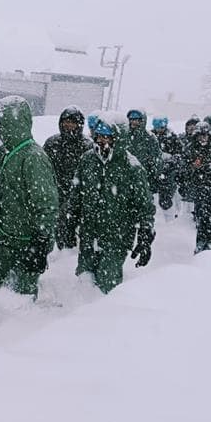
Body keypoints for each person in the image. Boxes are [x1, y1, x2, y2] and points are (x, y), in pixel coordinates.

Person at [0, 96, 58, 300]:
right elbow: (12, 193)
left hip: (25, 244)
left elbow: (46, 205)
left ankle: (19, 331)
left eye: (2, 123)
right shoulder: (13, 153)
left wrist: (39, 245)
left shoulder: (33, 157)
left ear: (16, 122)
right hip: (4, 239)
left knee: (19, 300)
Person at [64, 119, 155, 294]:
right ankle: (79, 319)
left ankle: (106, 317)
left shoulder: (131, 166)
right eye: (99, 137)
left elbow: (145, 204)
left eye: (108, 137)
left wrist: (145, 233)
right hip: (89, 233)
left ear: (118, 139)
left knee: (107, 283)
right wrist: (70, 219)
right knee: (85, 279)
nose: (103, 141)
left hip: (117, 236)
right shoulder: (87, 159)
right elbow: (76, 193)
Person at [43, 106, 93, 249]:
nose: (69, 125)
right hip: (53, 192)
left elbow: (90, 175)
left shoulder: (87, 146)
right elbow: (44, 168)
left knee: (70, 230)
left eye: (73, 122)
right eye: (66, 121)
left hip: (77, 195)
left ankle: (66, 255)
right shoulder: (52, 143)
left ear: (80, 125)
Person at [124, 109, 163, 198]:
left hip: (144, 178)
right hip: (126, 177)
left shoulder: (150, 138)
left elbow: (156, 160)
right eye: (131, 119)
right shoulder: (124, 135)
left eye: (136, 119)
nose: (133, 122)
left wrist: (153, 175)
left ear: (142, 121)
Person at [150, 115, 183, 211]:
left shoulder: (172, 138)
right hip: (153, 169)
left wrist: (170, 161)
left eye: (160, 127)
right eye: (156, 127)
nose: (158, 129)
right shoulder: (151, 136)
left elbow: (179, 154)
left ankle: (169, 215)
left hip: (168, 171)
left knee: (166, 194)